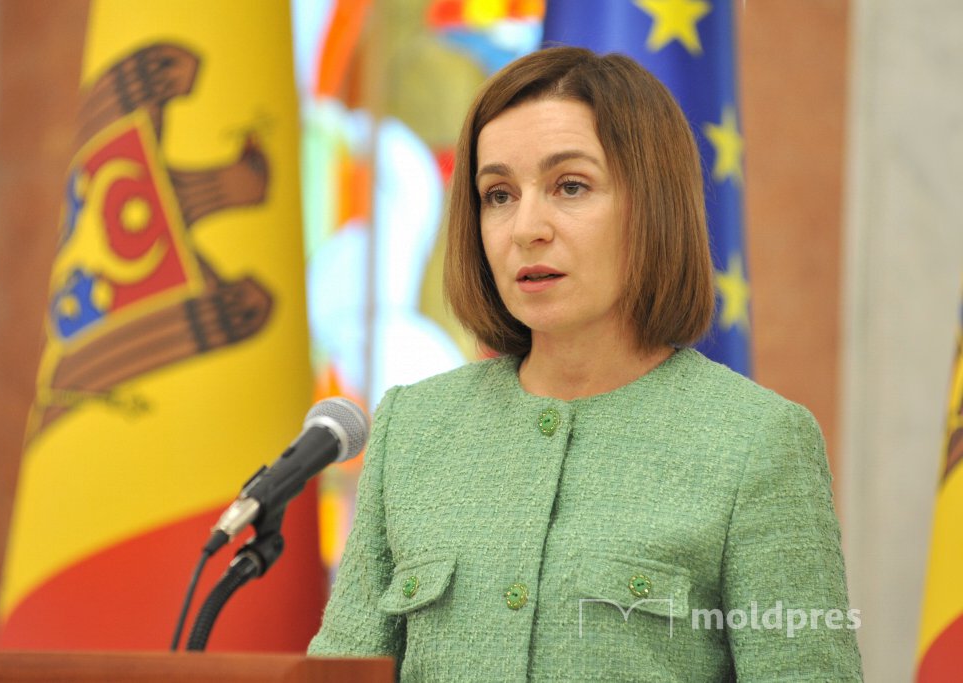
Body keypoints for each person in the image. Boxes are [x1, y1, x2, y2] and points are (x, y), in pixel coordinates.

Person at [307, 46, 863, 681]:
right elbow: (340, 671)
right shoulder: (414, 426)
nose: (526, 228)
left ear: (653, 206)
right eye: (498, 195)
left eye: (570, 186)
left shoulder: (757, 441)